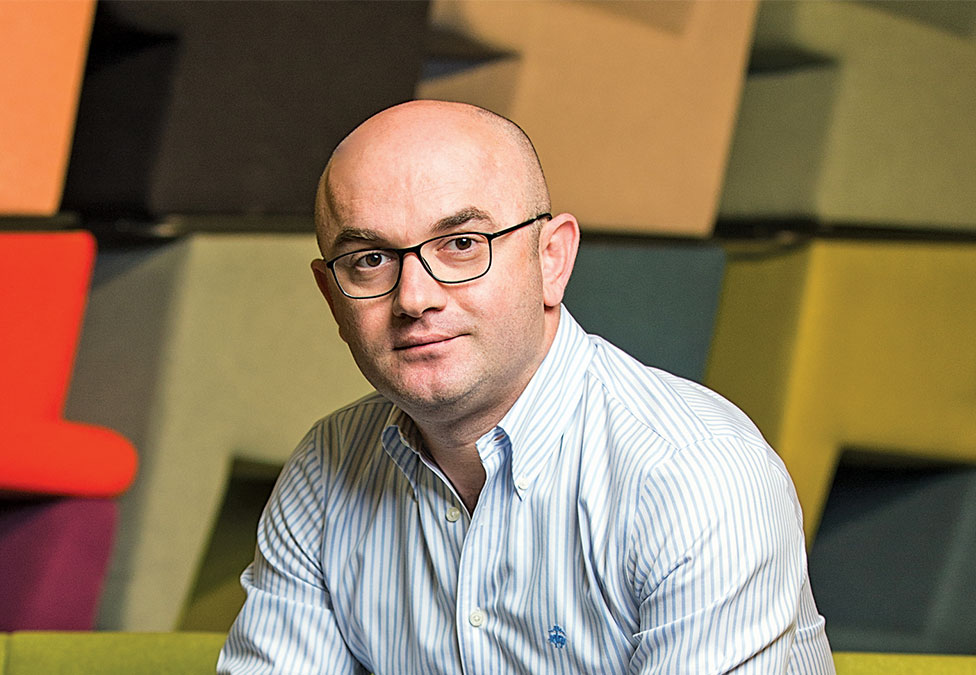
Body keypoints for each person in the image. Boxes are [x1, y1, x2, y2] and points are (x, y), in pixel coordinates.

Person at [218, 100, 833, 673]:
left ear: (552, 259)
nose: (414, 298)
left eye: (462, 244)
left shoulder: (694, 476)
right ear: (332, 298)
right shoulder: (325, 468)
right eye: (370, 259)